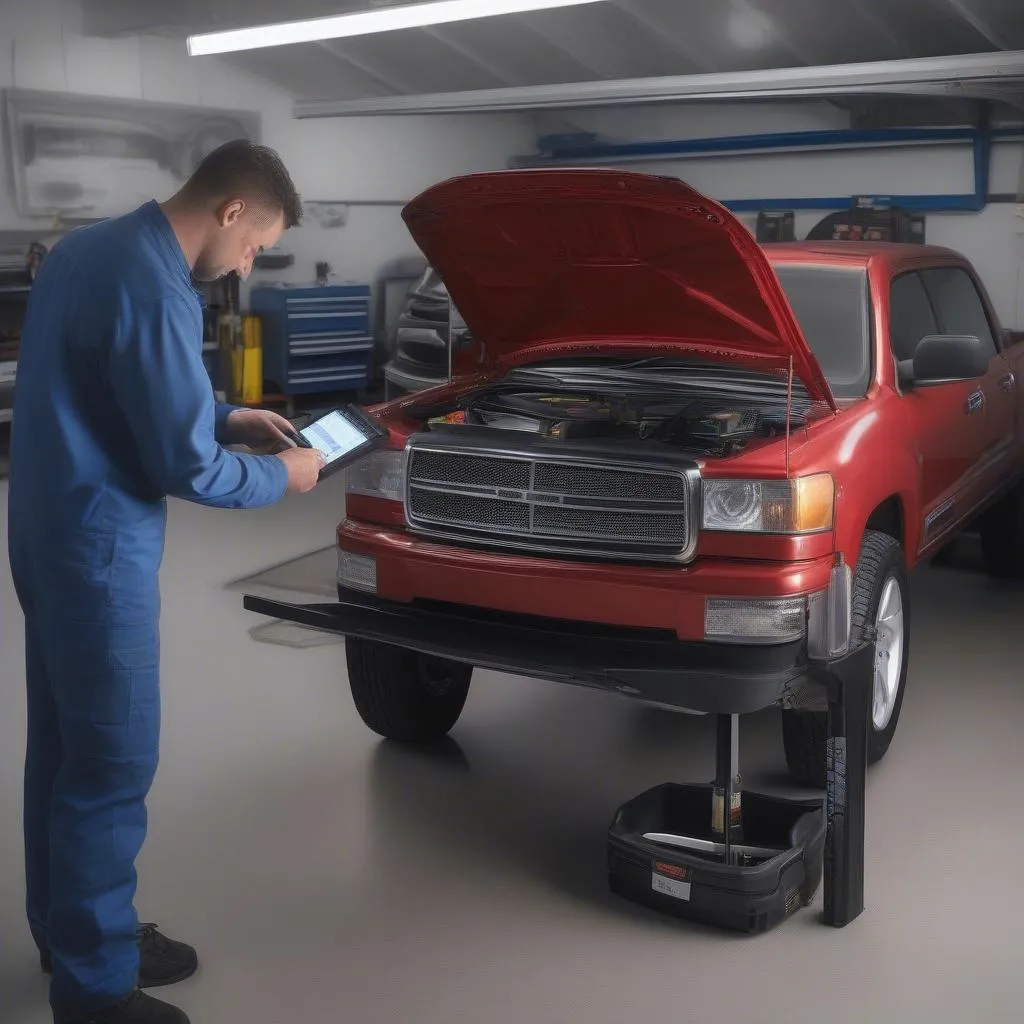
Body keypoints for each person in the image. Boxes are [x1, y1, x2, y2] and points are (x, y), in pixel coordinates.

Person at [7, 139, 326, 1024]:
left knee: (63, 750)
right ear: (230, 211)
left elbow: (103, 374)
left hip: (43, 530)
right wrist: (284, 478)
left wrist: (228, 411)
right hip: (97, 551)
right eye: (258, 243)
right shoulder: (158, 285)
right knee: (111, 759)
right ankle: (97, 989)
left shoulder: (88, 250)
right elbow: (188, 465)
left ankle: (70, 930)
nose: (249, 261)